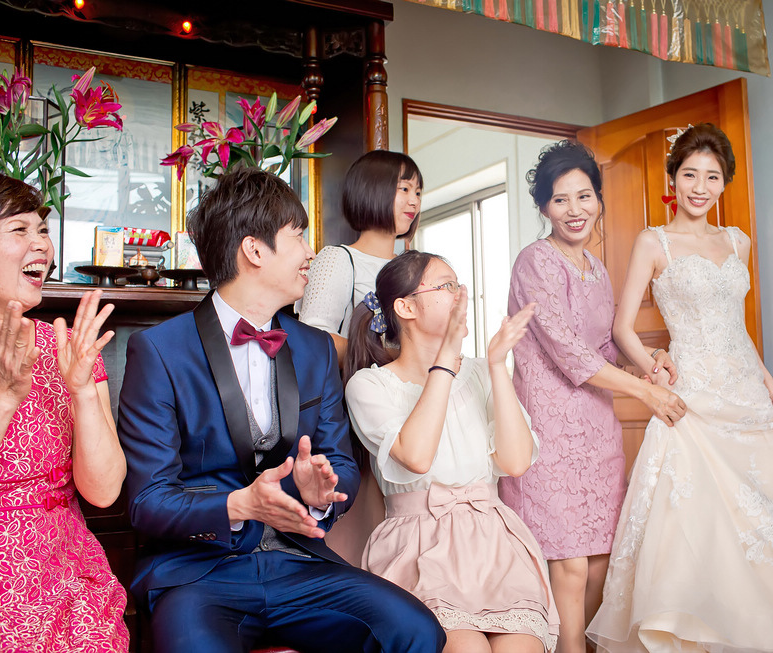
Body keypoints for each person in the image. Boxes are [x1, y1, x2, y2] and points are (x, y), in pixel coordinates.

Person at [586, 123, 773, 652]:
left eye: (712, 177)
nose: (700, 187)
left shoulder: (737, 241)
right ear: (672, 179)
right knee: (703, 530)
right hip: (691, 401)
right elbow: (621, 329)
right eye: (690, 175)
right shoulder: (653, 241)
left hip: (746, 397)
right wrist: (654, 368)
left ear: (725, 182)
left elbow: (737, 329)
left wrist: (771, 388)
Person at [116, 168, 445, 653]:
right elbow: (148, 502)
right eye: (298, 237)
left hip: (297, 563)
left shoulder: (314, 348)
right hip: (197, 573)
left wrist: (321, 492)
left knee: (416, 630)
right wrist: (238, 505)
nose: (311, 253)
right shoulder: (160, 350)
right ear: (254, 250)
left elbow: (341, 463)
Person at [497, 140, 686, 653]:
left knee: (602, 564)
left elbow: (602, 347)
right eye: (560, 199)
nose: (574, 210)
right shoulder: (534, 263)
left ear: (599, 200)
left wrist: (650, 360)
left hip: (597, 431)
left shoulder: (597, 270)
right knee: (570, 567)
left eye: (584, 196)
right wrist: (645, 391)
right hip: (547, 433)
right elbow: (570, 354)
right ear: (543, 207)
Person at [345, 250, 560, 653]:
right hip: (418, 548)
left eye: (459, 284)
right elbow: (417, 457)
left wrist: (496, 366)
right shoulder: (370, 386)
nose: (460, 293)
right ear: (406, 307)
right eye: (446, 286)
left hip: (494, 544)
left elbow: (515, 462)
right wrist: (445, 358)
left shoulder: (480, 371)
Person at [0, 173, 128, 652]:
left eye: (42, 230)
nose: (41, 244)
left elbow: (103, 492)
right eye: (19, 230)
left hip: (66, 570)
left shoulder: (66, 347)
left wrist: (81, 390)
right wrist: (1, 398)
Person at [297, 149, 422, 363]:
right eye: (405, 189)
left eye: (418, 193)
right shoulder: (337, 259)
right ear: (372, 190)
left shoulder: (415, 266)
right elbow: (313, 342)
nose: (414, 201)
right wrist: (394, 356)